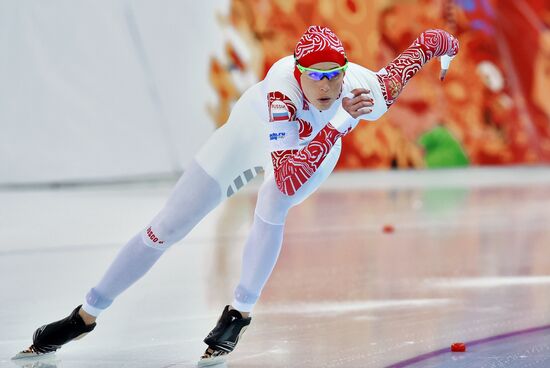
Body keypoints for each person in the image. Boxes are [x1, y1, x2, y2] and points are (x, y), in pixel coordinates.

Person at [13, 25, 459, 366]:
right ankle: (85, 315)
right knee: (165, 227)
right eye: (317, 76)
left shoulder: (361, 91)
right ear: (298, 73)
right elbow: (287, 171)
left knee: (272, 203)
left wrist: (442, 45)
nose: (328, 86)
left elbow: (410, 59)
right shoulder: (281, 93)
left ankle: (239, 313)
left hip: (311, 151)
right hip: (246, 137)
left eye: (335, 75)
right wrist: (341, 119)